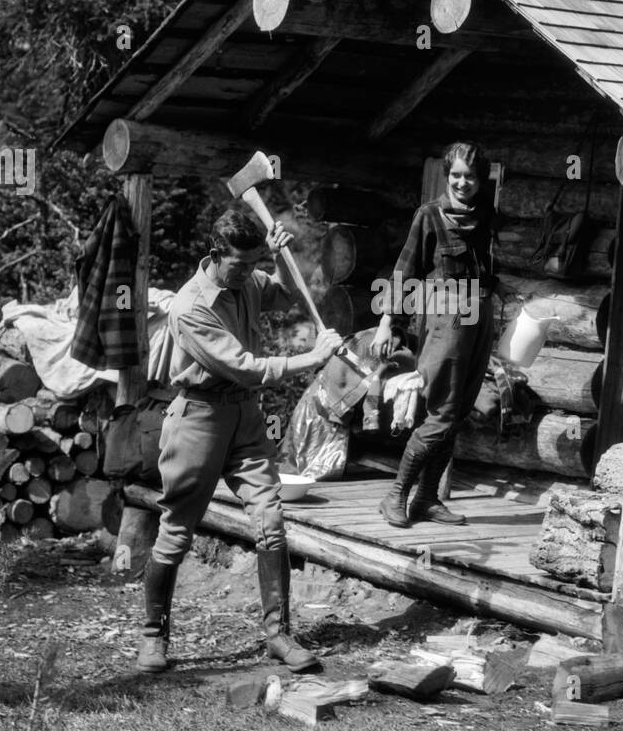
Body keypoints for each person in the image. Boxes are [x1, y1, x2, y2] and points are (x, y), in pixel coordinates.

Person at [138, 206, 342, 675]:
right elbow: (245, 366)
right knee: (177, 531)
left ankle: (279, 635)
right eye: (242, 264)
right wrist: (312, 357)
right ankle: (154, 637)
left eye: (255, 264)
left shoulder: (248, 279)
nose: (251, 274)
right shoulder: (191, 307)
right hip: (199, 419)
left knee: (270, 521)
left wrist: (283, 257)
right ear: (215, 254)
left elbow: (289, 295)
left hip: (245, 417)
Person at [372, 142, 496, 527]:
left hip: (479, 315)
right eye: (456, 175)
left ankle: (426, 499)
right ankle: (397, 494)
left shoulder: (485, 216)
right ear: (447, 175)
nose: (462, 182)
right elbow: (404, 270)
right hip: (446, 315)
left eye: (470, 176)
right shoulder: (430, 216)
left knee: (458, 411)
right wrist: (386, 322)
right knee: (441, 410)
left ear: (481, 180)